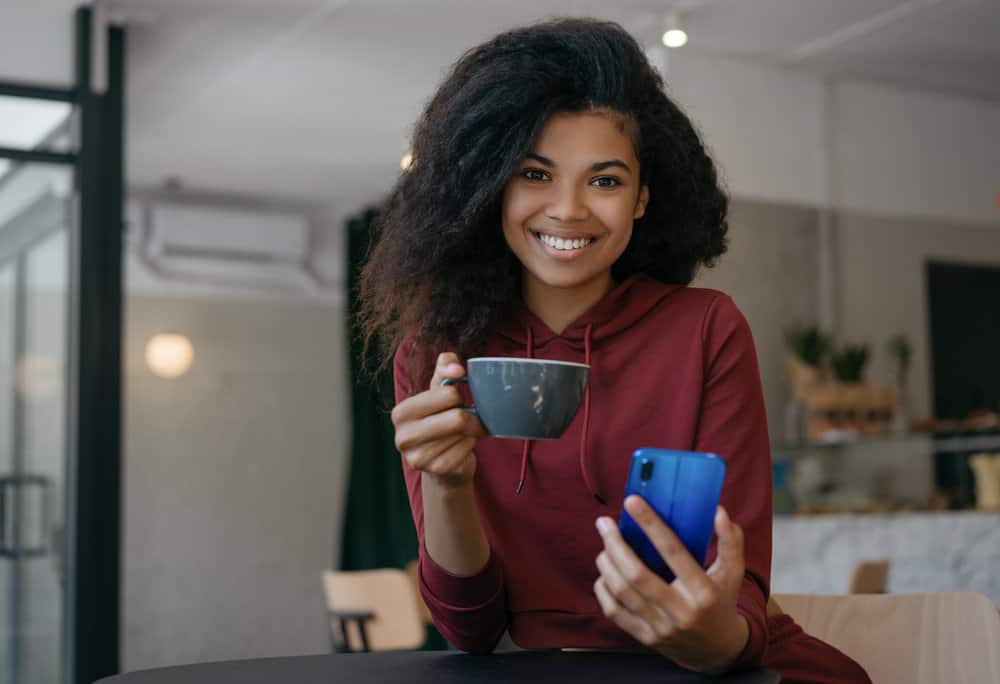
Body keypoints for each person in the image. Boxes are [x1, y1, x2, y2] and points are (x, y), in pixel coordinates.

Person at [358, 17, 870, 683]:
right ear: (490, 189)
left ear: (642, 198)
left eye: (603, 181)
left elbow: (739, 605)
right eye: (535, 174)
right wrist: (447, 481)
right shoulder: (434, 357)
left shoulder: (706, 330)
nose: (568, 209)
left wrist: (710, 636)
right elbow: (470, 630)